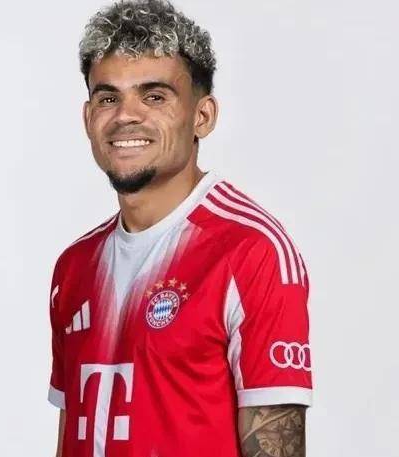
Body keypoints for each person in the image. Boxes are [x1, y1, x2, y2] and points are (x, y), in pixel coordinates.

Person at [47, 1, 312, 455]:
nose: (126, 115)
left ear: (201, 117)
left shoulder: (251, 251)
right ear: (88, 117)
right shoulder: (74, 267)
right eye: (108, 97)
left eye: (154, 96)